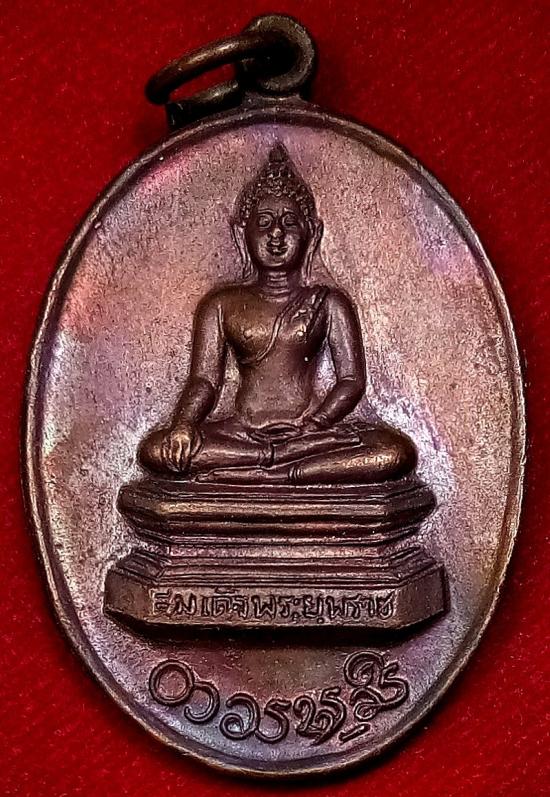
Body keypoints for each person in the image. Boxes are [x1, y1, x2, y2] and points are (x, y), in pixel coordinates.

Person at [140, 144, 416, 484]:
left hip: (310, 433)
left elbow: (351, 381)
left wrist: (316, 424)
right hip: (242, 434)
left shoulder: (328, 303)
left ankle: (270, 471)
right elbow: (205, 381)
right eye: (264, 222)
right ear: (242, 233)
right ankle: (275, 463)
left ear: (311, 233)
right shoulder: (221, 304)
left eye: (289, 222)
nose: (276, 234)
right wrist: (184, 423)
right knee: (155, 449)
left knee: (395, 452)